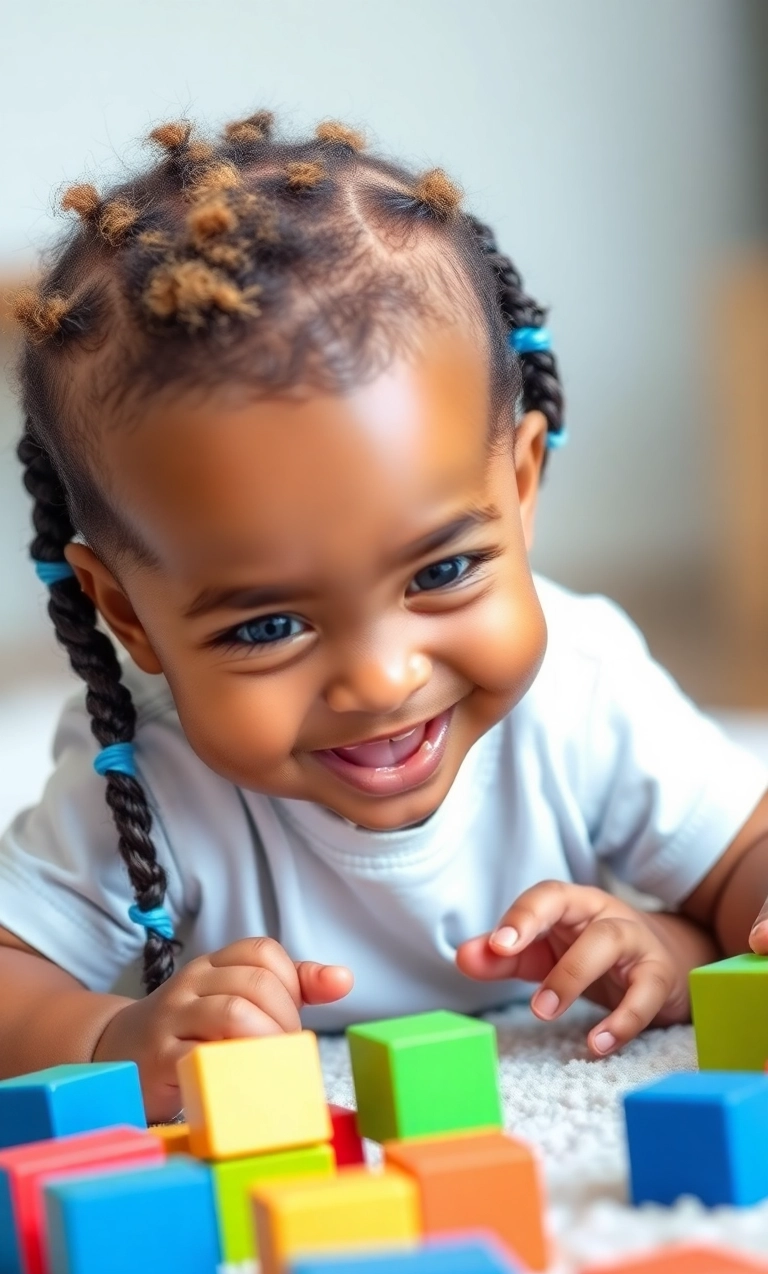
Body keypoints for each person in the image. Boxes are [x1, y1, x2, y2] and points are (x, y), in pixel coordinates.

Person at [2, 111, 767, 1124]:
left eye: (442, 570)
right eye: (269, 626)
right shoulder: (147, 777)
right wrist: (108, 1038)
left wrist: (673, 946)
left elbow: (742, 859)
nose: (384, 679)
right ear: (128, 616)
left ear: (523, 484)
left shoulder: (584, 687)